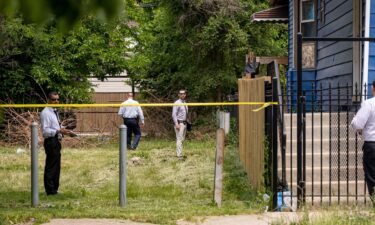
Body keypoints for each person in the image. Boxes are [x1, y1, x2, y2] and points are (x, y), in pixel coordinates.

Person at [40, 92, 73, 195]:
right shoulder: (46, 112)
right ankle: (50, 190)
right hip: (50, 141)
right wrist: (58, 131)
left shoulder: (55, 111)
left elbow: (55, 127)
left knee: (56, 166)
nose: (56, 101)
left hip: (56, 141)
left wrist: (63, 131)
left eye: (58, 99)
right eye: (54, 99)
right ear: (48, 100)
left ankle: (54, 189)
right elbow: (45, 131)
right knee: (51, 166)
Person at [351, 80, 375, 204]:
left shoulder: (369, 104)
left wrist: (354, 118)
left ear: (373, 88)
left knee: (372, 176)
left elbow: (357, 124)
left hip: (372, 144)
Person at [172, 89, 189, 160]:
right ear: (178, 95)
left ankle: (180, 154)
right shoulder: (177, 102)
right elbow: (174, 114)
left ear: (185, 94)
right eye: (181, 94)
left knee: (182, 139)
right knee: (179, 139)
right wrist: (176, 124)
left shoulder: (185, 102)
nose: (182, 95)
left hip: (184, 123)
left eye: (184, 93)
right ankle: (179, 156)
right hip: (179, 123)